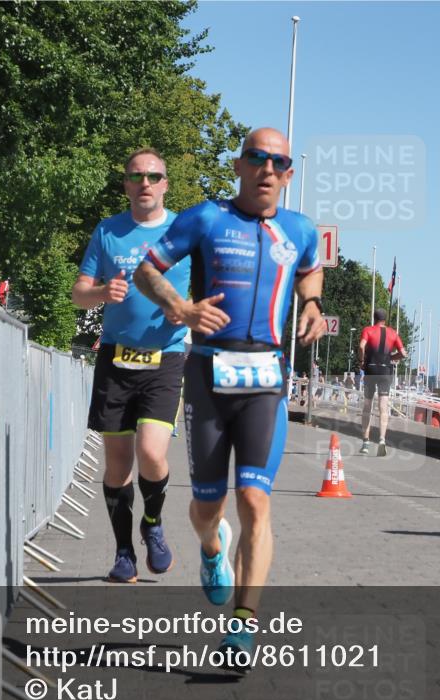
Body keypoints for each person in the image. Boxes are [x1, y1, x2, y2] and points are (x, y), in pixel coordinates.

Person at [135, 127, 324, 670]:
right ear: (239, 165)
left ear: (289, 175)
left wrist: (310, 306)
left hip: (266, 377)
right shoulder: (205, 218)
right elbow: (148, 271)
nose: (267, 169)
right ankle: (212, 548)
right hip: (207, 373)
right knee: (207, 507)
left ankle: (243, 626)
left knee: (256, 500)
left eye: (279, 163)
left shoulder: (301, 229)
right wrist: (183, 308)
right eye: (257, 158)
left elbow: (310, 272)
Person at [72, 148, 191, 583]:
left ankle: (153, 525)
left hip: (165, 358)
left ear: (165, 184)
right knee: (118, 465)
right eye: (136, 176)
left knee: (152, 454)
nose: (145, 183)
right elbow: (78, 292)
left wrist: (187, 309)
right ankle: (124, 554)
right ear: (125, 183)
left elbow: (211, 290)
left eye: (153, 176)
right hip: (116, 360)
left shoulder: (183, 232)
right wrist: (102, 293)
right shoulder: (108, 232)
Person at [358, 308, 407, 456]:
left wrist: (361, 360)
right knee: (383, 407)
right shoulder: (393, 333)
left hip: (371, 370)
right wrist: (392, 358)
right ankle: (381, 440)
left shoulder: (368, 330)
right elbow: (403, 353)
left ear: (374, 318)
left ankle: (366, 443)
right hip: (386, 371)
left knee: (367, 406)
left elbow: (361, 346)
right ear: (385, 319)